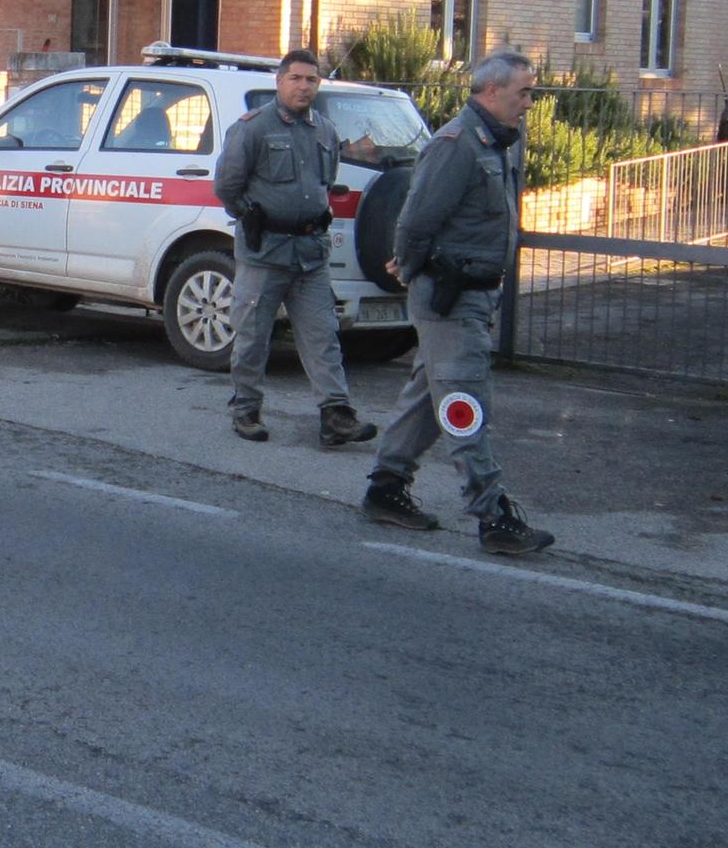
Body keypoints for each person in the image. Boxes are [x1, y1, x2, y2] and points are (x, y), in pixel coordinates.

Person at [362, 48, 553, 555]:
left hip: (469, 294)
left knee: (430, 395)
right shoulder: (458, 144)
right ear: (491, 92)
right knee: (464, 403)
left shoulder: (492, 142)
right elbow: (417, 218)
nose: (529, 103)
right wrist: (407, 263)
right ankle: (493, 517)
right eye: (523, 92)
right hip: (450, 296)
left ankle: (385, 488)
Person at [214, 48, 376, 448]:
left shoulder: (323, 129)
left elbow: (326, 180)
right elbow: (226, 185)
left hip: (309, 252)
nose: (304, 87)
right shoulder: (252, 128)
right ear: (279, 81)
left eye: (311, 80)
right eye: (296, 78)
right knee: (253, 335)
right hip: (265, 250)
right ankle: (246, 410)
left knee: (323, 335)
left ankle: (335, 415)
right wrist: (248, 215)